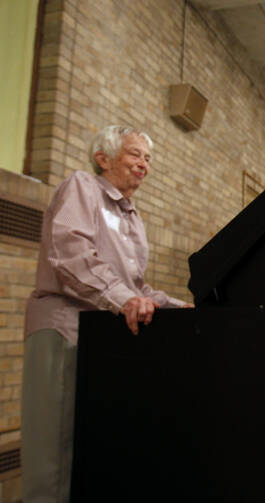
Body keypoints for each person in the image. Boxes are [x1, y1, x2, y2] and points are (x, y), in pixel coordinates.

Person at [21, 125, 192, 503]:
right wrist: (124, 300)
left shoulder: (132, 216)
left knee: (89, 450)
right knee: (53, 455)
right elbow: (70, 255)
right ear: (103, 158)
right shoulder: (83, 187)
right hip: (63, 329)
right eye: (134, 154)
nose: (144, 165)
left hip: (101, 337)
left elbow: (135, 287)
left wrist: (181, 308)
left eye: (148, 158)